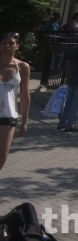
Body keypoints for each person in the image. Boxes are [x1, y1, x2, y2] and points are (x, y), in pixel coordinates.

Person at [0, 32, 31, 173]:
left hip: (9, 115)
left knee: (3, 153)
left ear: (17, 46)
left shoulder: (23, 67)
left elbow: (24, 95)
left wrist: (25, 120)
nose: (7, 46)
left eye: (11, 43)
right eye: (3, 43)